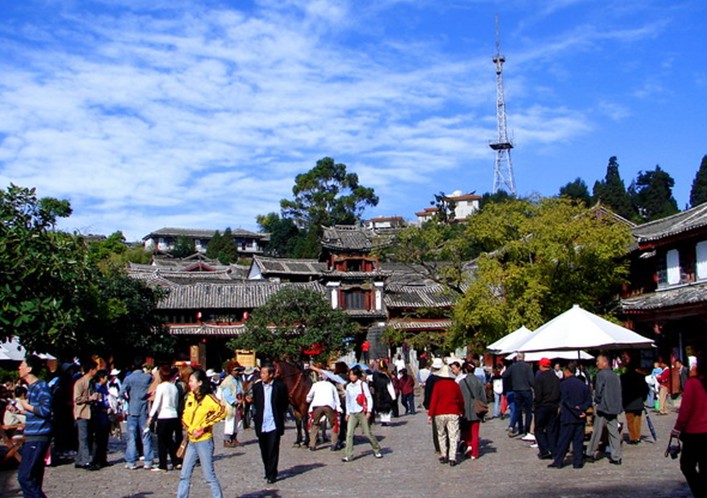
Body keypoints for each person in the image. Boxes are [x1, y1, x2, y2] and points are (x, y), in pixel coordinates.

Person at [177, 369, 226, 498]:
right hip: (191, 441)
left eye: (191, 381)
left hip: (204, 441)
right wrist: (190, 429)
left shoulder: (209, 399)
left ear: (199, 383)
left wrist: (203, 426)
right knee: (184, 474)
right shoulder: (190, 397)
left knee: (209, 476)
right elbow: (185, 415)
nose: (189, 383)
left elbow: (222, 411)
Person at [16, 354, 53, 498]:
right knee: (34, 478)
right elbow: (36, 411)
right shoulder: (31, 388)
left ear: (29, 369)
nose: (19, 367)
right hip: (32, 434)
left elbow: (45, 410)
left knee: (25, 477)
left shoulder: (41, 386)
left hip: (38, 436)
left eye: (22, 365)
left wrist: (26, 406)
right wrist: (23, 411)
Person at [671, 354, 707, 498]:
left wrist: (677, 428)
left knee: (687, 465)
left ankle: (700, 492)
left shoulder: (693, 383)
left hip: (694, 432)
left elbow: (685, 410)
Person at [549, 361, 591, 469]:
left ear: (567, 371)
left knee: (563, 440)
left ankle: (558, 461)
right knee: (578, 441)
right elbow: (588, 401)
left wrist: (577, 411)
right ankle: (578, 462)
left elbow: (566, 401)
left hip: (568, 417)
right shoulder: (583, 385)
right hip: (580, 418)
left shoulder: (563, 384)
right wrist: (582, 410)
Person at [252, 363, 289, 484]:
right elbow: (256, 403)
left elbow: (284, 403)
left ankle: (272, 474)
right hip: (261, 422)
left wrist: (280, 415)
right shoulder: (257, 387)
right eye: (261, 373)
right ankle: (267, 470)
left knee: (273, 449)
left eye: (264, 373)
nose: (262, 375)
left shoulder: (280, 386)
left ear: (271, 374)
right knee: (264, 450)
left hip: (274, 423)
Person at [585, 353, 623, 465]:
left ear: (605, 362)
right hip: (614, 407)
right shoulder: (615, 375)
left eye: (598, 361)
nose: (597, 363)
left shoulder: (601, 374)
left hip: (603, 407)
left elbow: (598, 391)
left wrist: (596, 401)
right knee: (614, 432)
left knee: (597, 431)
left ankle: (590, 452)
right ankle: (616, 456)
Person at [342, 365, 383, 462]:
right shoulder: (348, 386)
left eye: (353, 375)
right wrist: (347, 413)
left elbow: (369, 397)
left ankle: (376, 448)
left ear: (357, 375)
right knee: (349, 434)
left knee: (367, 433)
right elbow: (348, 401)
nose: (351, 376)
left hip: (362, 412)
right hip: (353, 413)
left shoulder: (362, 384)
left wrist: (369, 411)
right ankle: (348, 454)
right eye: (350, 375)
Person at [120, 359, 155, 470]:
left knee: (131, 437)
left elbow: (121, 393)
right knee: (146, 435)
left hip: (132, 409)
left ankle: (131, 461)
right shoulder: (147, 377)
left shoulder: (129, 378)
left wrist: (128, 398)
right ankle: (148, 461)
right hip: (143, 409)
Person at [428, 366, 464, 466]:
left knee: (441, 434)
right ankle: (452, 457)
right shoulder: (455, 385)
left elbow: (434, 400)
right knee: (453, 435)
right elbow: (460, 400)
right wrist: (462, 410)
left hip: (439, 413)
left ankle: (443, 454)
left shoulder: (437, 385)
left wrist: (430, 414)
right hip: (453, 412)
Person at [147, 365, 181, 472]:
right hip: (173, 415)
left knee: (161, 441)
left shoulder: (161, 387)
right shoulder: (174, 387)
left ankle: (162, 465)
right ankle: (176, 461)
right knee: (169, 439)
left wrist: (151, 416)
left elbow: (157, 402)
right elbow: (176, 402)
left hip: (164, 415)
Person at [73, 357, 99, 470]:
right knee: (83, 438)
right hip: (82, 413)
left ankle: (79, 460)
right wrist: (89, 398)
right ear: (91, 370)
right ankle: (86, 461)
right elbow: (76, 398)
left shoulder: (92, 382)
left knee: (87, 437)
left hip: (90, 413)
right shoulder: (80, 382)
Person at [305, 372, 342, 451]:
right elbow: (336, 398)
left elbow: (309, 397)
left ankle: (312, 444)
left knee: (315, 424)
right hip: (329, 405)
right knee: (334, 424)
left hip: (317, 406)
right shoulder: (331, 385)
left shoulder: (315, 385)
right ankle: (334, 443)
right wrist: (338, 407)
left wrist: (309, 400)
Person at [533, 358, 560, 460]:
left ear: (542, 366)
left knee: (538, 429)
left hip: (542, 406)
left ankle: (544, 450)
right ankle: (553, 450)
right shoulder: (556, 378)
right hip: (553, 406)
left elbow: (538, 394)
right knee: (551, 429)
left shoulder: (540, 378)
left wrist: (536, 404)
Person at [503, 353, 534, 437]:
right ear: (523, 358)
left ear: (517, 358)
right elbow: (531, 380)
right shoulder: (527, 367)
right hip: (526, 390)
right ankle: (527, 430)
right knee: (528, 411)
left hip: (516, 390)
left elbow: (504, 375)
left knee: (517, 410)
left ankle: (512, 426)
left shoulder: (513, 367)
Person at [620, 352, 649, 445]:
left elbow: (621, 390)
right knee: (637, 420)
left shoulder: (623, 377)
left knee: (630, 420)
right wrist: (643, 398)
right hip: (638, 400)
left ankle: (633, 437)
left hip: (628, 401)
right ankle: (637, 436)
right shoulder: (640, 377)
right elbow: (645, 389)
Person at [459, 363, 485, 460]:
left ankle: (469, 446)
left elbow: (459, 397)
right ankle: (475, 453)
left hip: (465, 410)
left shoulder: (462, 382)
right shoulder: (479, 381)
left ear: (465, 370)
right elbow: (483, 397)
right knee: (475, 433)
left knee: (466, 431)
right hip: (476, 410)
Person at [220, 361, 244, 448]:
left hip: (239, 403)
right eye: (235, 370)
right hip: (231, 405)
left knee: (237, 422)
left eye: (238, 370)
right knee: (230, 422)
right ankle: (226, 440)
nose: (237, 372)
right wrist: (235, 401)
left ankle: (234, 438)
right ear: (231, 371)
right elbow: (227, 395)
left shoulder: (239, 380)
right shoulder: (227, 381)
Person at [90, 369, 111, 469]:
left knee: (104, 439)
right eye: (106, 377)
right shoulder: (96, 388)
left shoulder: (104, 388)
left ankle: (103, 459)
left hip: (105, 417)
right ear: (101, 378)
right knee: (98, 440)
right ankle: (96, 460)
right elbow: (97, 402)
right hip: (99, 416)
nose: (107, 379)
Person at [423, 358, 444, 453]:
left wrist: (427, 406)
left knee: (436, 428)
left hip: (434, 405)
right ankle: (446, 445)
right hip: (445, 404)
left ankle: (438, 447)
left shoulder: (431, 379)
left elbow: (427, 393)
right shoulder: (446, 377)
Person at [372, 362, 395, 426]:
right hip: (386, 394)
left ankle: (383, 420)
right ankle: (386, 420)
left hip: (378, 394)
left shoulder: (376, 376)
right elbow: (390, 387)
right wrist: (393, 396)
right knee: (386, 408)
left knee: (382, 408)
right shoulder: (387, 376)